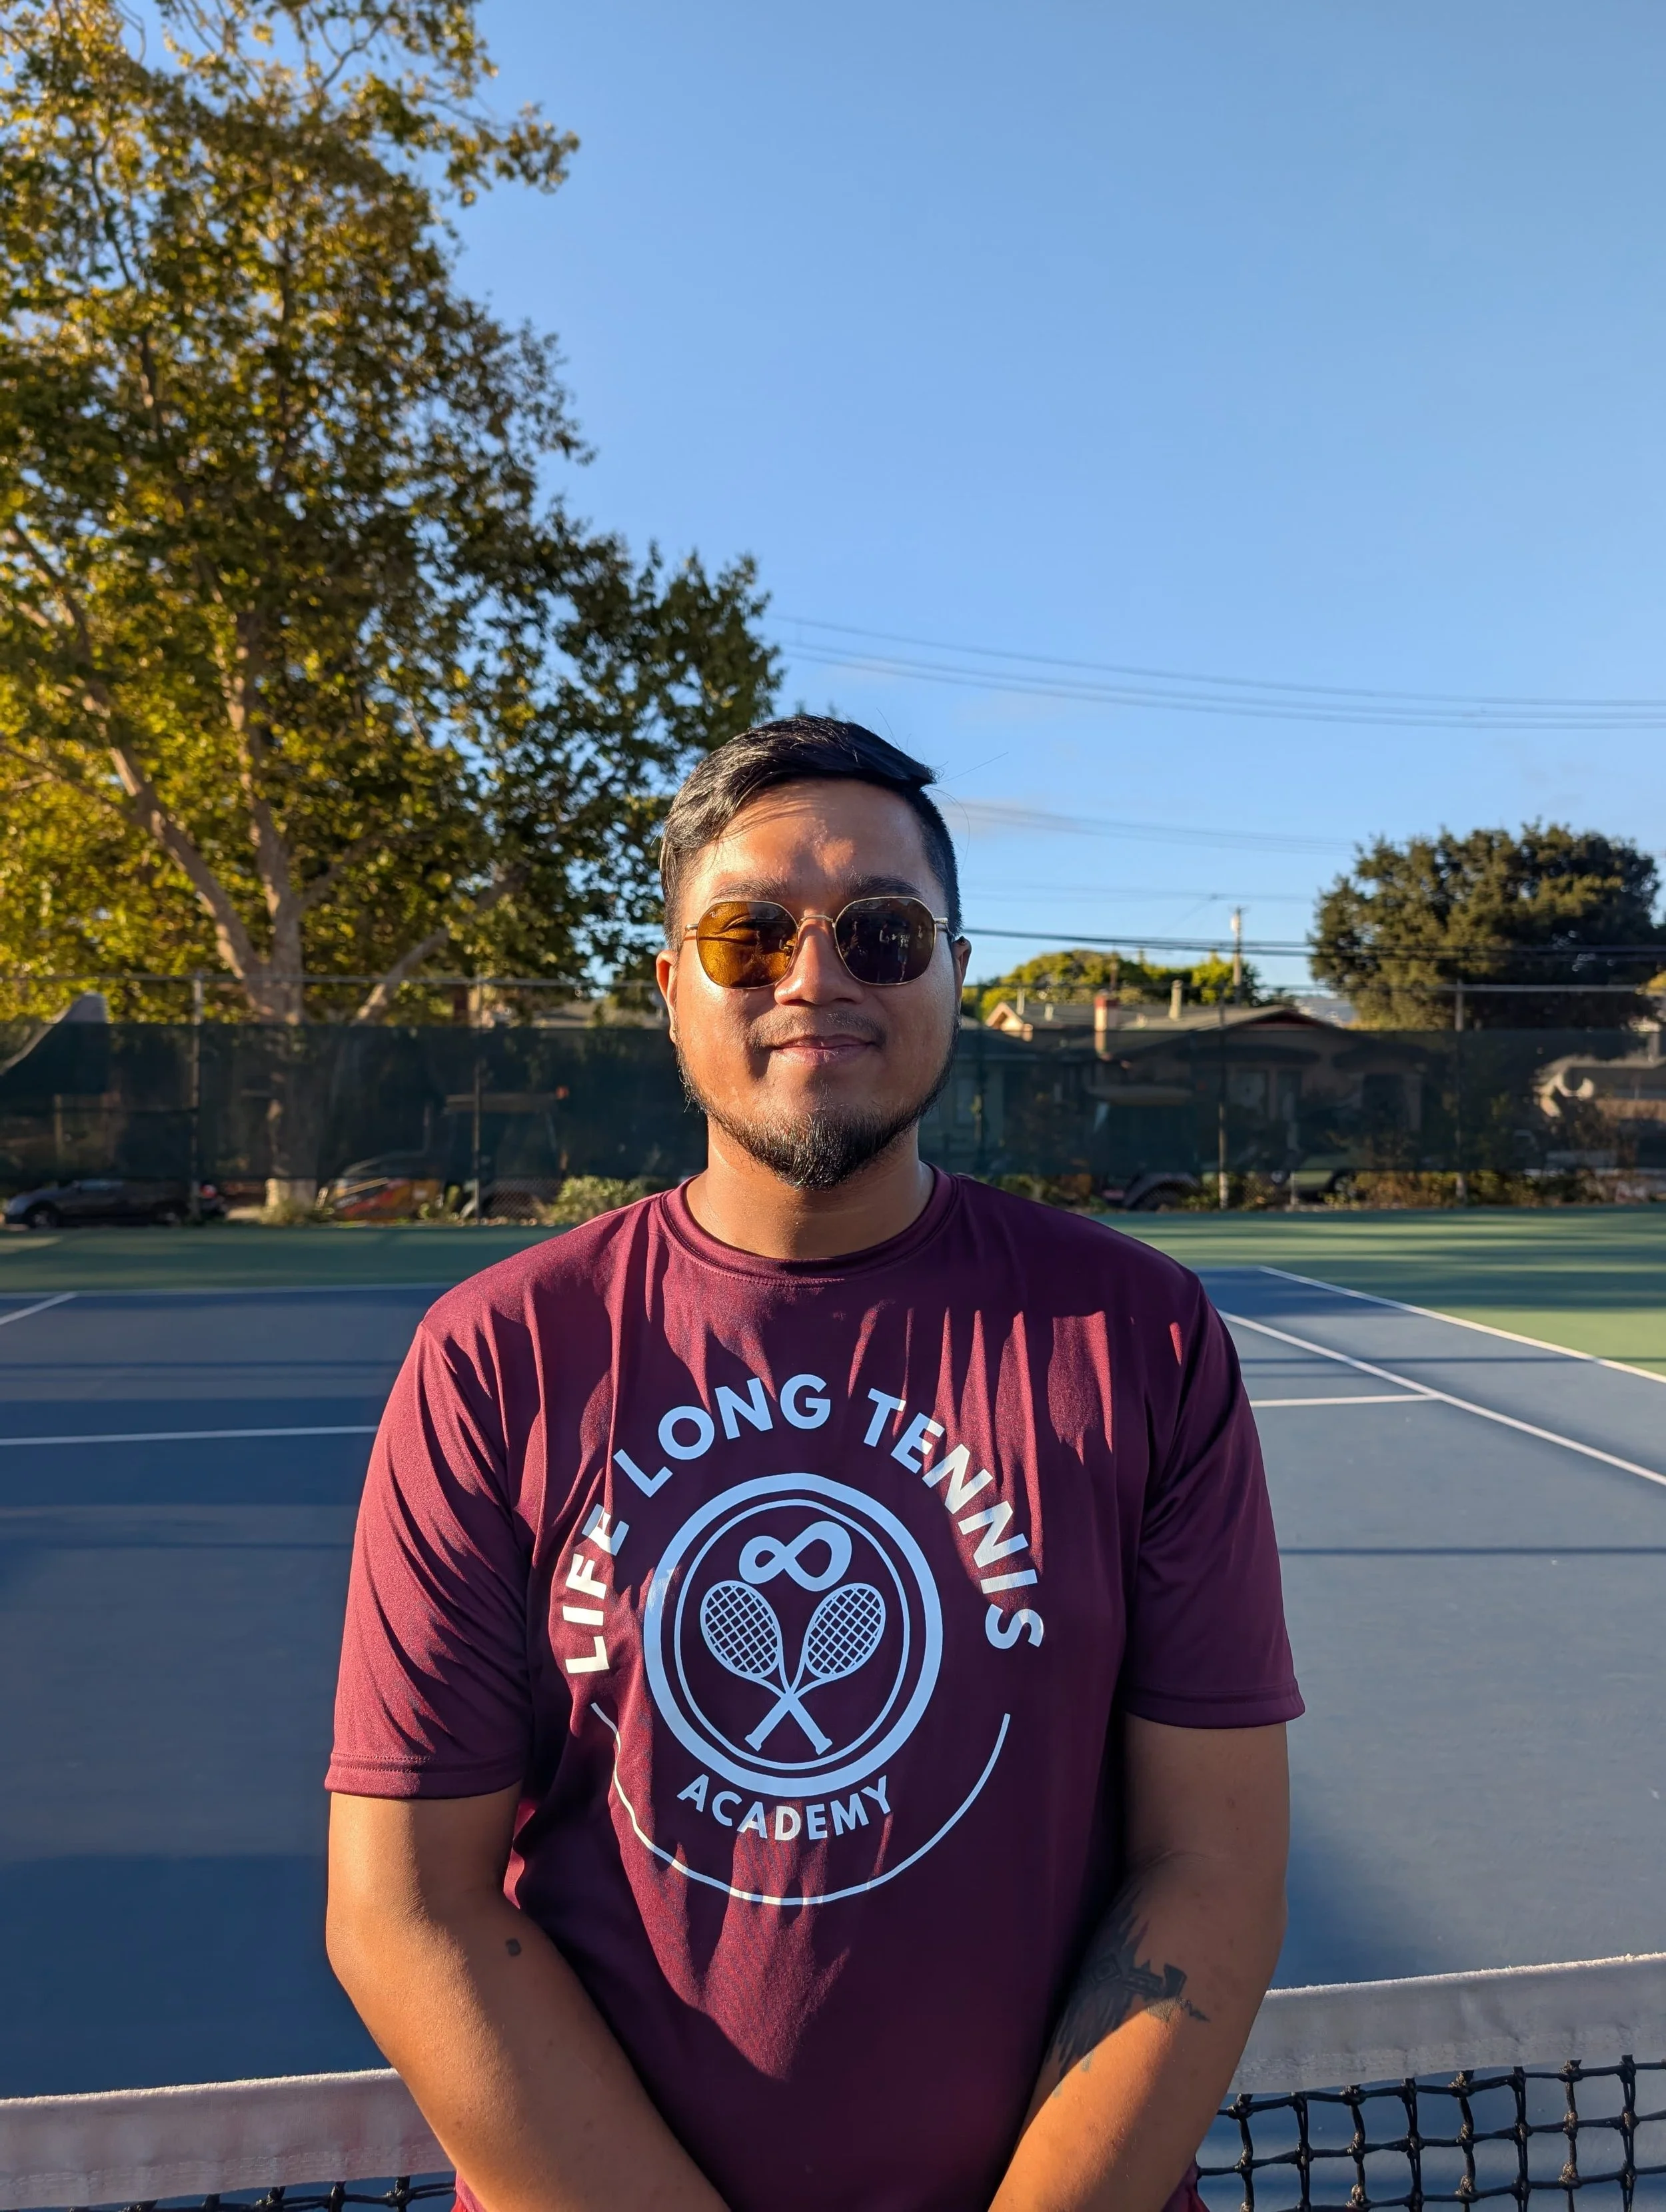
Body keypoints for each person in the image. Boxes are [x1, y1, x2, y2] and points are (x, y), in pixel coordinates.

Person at [325, 717, 1301, 2212]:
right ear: (669, 988)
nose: (813, 976)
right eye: (747, 933)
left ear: (952, 974)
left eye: (881, 931)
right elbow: (405, 1909)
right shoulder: (493, 1358)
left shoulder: (1141, 1336)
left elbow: (1211, 1871)